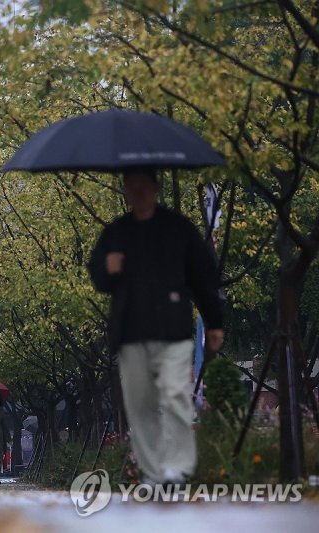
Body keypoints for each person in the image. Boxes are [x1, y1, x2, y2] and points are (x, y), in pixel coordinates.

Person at [87, 168, 224, 485]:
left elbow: (204, 276)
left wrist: (215, 322)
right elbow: (98, 276)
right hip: (131, 334)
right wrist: (108, 269)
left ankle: (176, 467)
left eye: (143, 185)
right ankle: (152, 471)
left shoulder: (177, 229)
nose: (137, 191)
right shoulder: (116, 233)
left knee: (175, 394)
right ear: (125, 191)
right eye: (130, 185)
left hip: (173, 329)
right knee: (141, 404)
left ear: (156, 188)